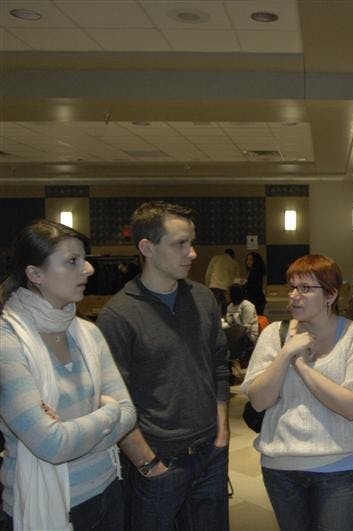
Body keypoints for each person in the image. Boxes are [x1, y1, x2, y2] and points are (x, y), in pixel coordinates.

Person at [96, 201, 230, 531]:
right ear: (147, 247)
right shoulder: (119, 316)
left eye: (191, 241)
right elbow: (113, 400)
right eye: (180, 243)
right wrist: (148, 463)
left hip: (209, 453)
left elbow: (219, 364)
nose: (193, 253)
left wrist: (222, 431)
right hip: (158, 461)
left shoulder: (202, 298)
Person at [0, 220, 136, 530]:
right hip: (48, 505)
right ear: (35, 274)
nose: (88, 269)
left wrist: (75, 429)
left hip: (108, 491)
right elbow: (53, 445)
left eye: (84, 259)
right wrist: (109, 411)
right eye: (72, 261)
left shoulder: (88, 333)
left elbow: (130, 415)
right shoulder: (7, 342)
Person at [242, 254, 353, 531]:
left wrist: (302, 367)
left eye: (305, 288)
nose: (294, 295)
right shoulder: (275, 336)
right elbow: (259, 400)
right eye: (292, 287)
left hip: (337, 466)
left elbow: (352, 407)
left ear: (330, 295)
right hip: (280, 467)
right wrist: (287, 353)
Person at [205, 248, 239, 315]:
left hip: (214, 286)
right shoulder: (234, 263)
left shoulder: (215, 258)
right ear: (233, 255)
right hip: (226, 288)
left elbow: (208, 273)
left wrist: (207, 286)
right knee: (225, 309)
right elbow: (236, 279)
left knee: (213, 308)